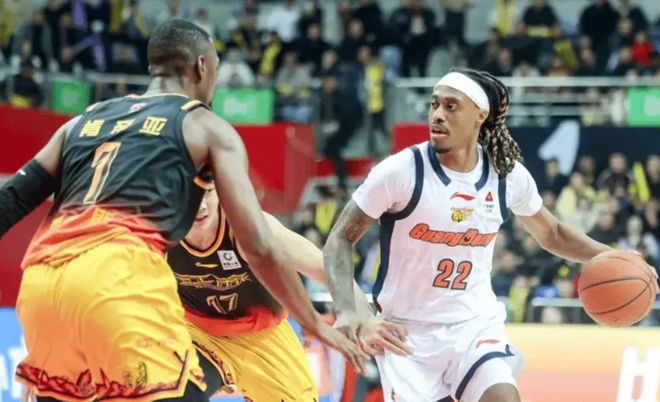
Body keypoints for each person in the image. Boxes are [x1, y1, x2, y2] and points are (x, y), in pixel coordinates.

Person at [1, 19, 364, 402]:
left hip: (45, 281)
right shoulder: (203, 127)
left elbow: (12, 200)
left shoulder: (81, 122)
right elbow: (259, 249)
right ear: (203, 67)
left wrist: (50, 336)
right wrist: (314, 323)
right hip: (131, 293)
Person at [322, 68, 658, 402]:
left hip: (473, 325)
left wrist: (611, 256)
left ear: (480, 115)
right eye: (434, 104)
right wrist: (348, 310)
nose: (437, 114)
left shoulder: (506, 175)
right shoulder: (400, 171)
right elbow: (339, 239)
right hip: (407, 332)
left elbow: (553, 233)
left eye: (451, 106)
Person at [167, 179, 410, 400]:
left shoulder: (250, 227)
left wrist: (362, 316)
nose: (200, 206)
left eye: (208, 193)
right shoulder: (157, 234)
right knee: (166, 392)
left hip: (262, 337)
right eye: (190, 196)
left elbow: (325, 268)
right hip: (198, 333)